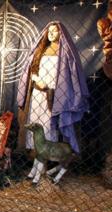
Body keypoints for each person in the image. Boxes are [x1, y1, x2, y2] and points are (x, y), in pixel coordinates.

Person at [17, 21, 89, 156]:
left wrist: (54, 88)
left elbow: (71, 75)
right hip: (39, 94)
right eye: (49, 30)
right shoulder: (41, 50)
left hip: (55, 96)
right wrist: (36, 79)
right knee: (35, 123)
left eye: (54, 30)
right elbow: (32, 69)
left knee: (50, 125)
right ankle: (35, 156)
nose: (50, 33)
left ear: (61, 33)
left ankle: (49, 156)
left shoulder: (66, 53)